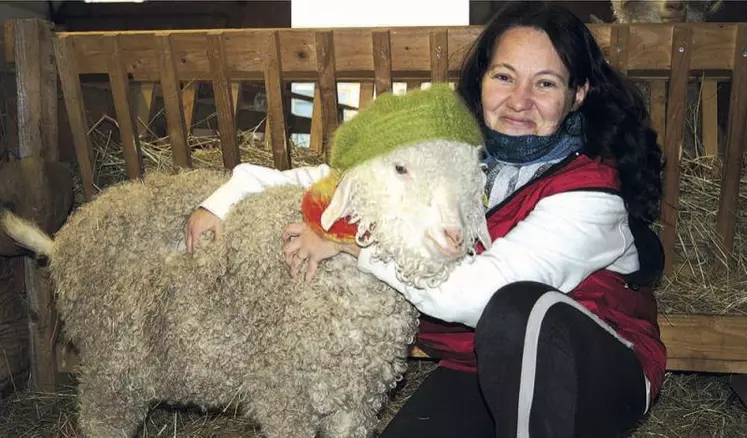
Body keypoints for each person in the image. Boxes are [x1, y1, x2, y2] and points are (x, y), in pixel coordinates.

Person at [184, 1, 666, 436]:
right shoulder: (458, 155)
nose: (519, 100)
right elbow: (344, 175)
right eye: (504, 76)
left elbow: (479, 299)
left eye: (545, 83)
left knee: (519, 308)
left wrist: (354, 241)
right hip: (475, 365)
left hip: (595, 370)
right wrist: (226, 196)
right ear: (482, 80)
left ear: (578, 94)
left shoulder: (590, 195)